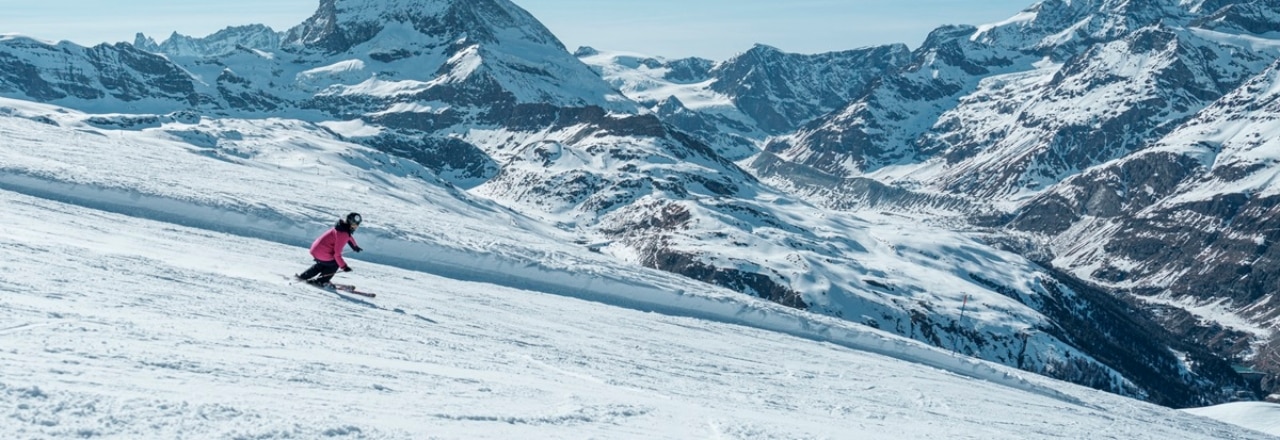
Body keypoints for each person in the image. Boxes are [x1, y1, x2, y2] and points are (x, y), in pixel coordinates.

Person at [296, 212, 364, 287]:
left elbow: (349, 237)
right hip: (323, 252)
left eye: (357, 224)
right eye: (355, 224)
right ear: (349, 223)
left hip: (316, 249)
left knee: (322, 264)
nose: (356, 227)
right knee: (334, 264)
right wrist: (344, 267)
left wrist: (355, 246)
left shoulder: (341, 227)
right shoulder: (343, 234)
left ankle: (303, 277)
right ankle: (321, 281)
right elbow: (337, 254)